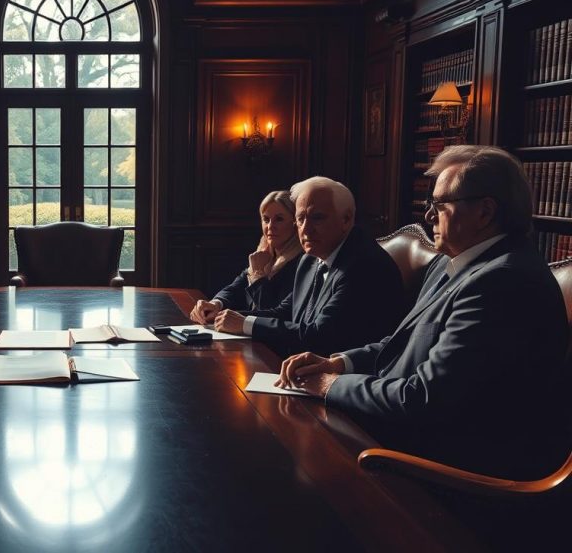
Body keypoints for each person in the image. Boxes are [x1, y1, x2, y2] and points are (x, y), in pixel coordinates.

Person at [277, 146, 568, 477]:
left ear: (485, 212)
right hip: (400, 433)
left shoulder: (503, 281)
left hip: (451, 464)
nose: (429, 215)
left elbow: (424, 399)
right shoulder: (451, 262)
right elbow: (405, 342)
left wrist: (331, 385)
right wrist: (339, 362)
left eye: (440, 204)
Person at [212, 177, 404, 357]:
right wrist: (222, 317)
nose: (306, 229)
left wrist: (246, 324)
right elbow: (284, 313)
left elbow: (318, 337)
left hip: (344, 376)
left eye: (317, 218)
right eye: (301, 218)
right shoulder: (311, 259)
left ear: (346, 219)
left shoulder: (362, 266)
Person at [191, 190, 302, 321]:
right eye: (266, 219)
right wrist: (215, 304)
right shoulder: (265, 250)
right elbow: (235, 288)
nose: (270, 226)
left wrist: (259, 274)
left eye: (279, 219)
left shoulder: (302, 260)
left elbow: (270, 312)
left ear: (295, 223)